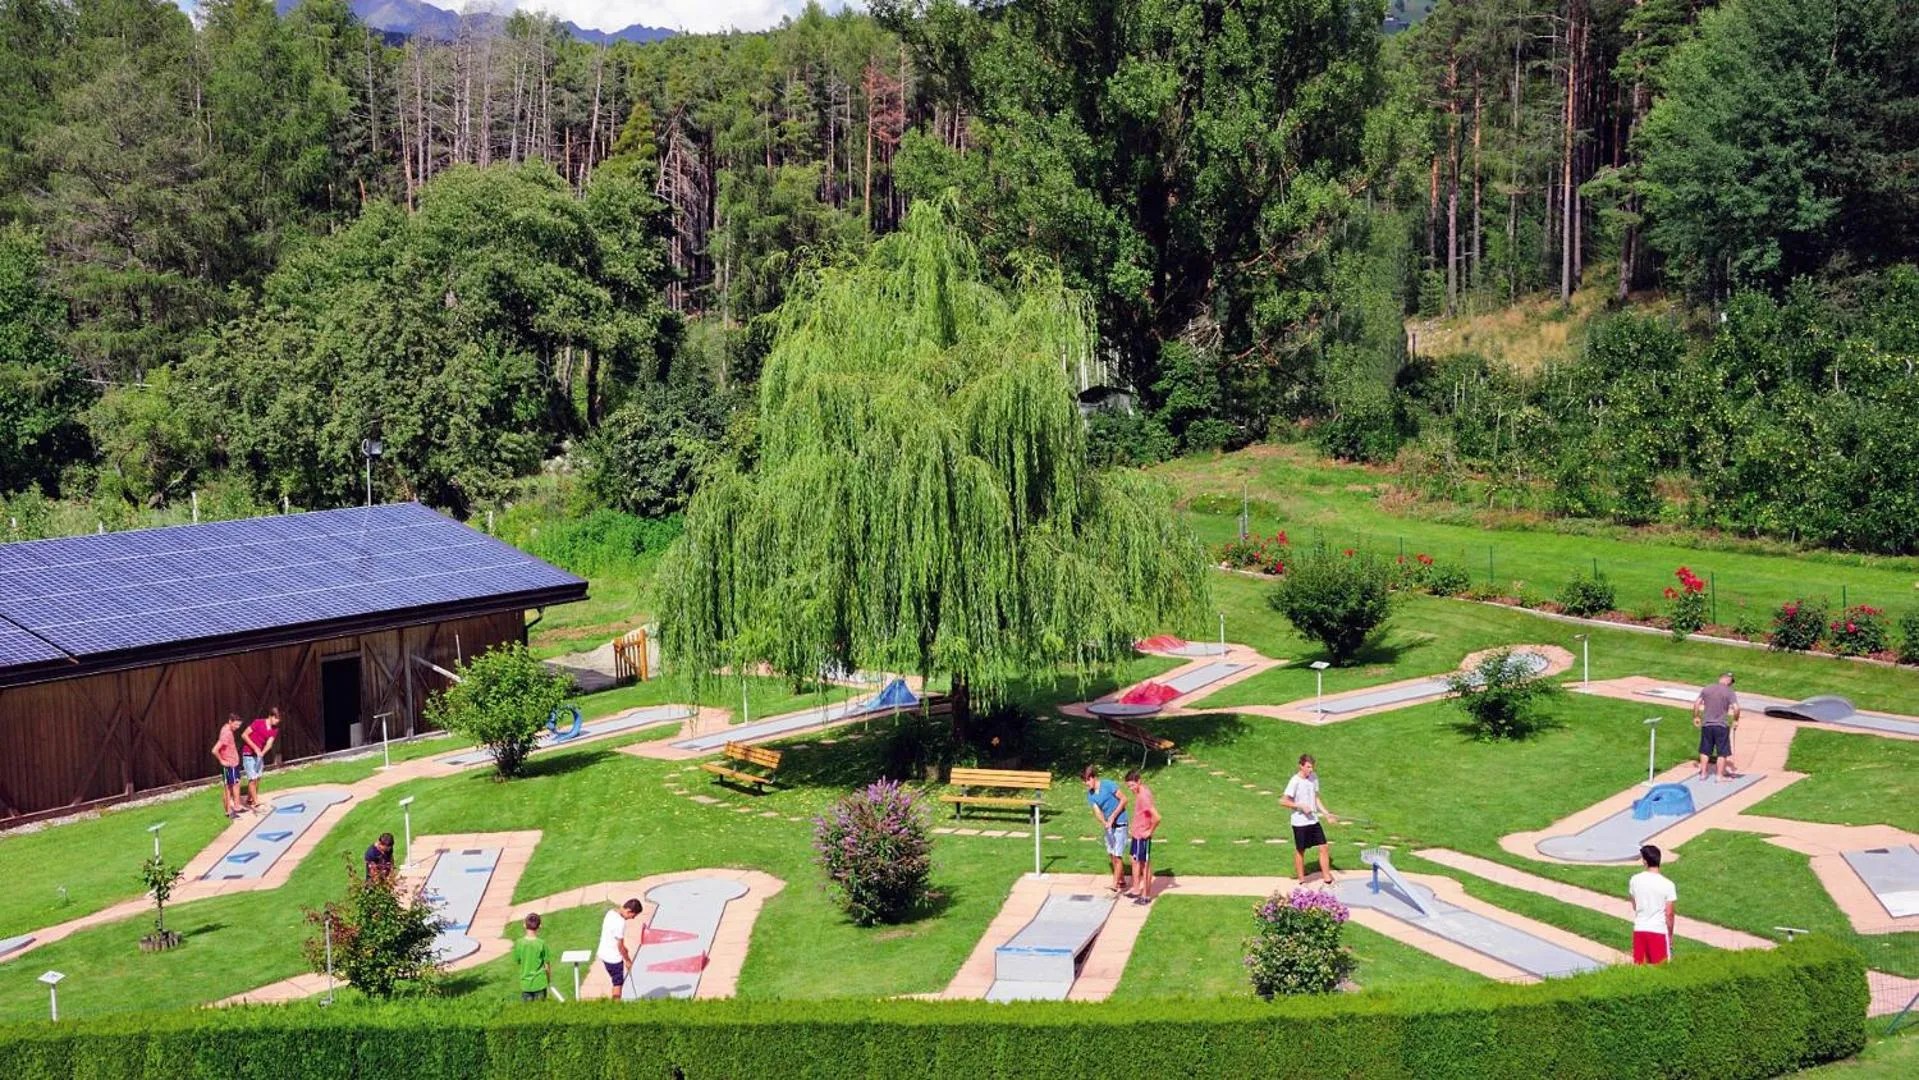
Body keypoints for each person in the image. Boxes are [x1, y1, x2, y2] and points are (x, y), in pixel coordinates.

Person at [1281, 754, 1339, 885]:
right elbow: (1283, 801)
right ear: (1301, 766)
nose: (1311, 769)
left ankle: (1327, 877)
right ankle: (1302, 880)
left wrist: (1327, 814)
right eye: (1308, 767)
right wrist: (1299, 805)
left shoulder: (1314, 778)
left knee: (1324, 846)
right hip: (1300, 822)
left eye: (1312, 767)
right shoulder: (1294, 781)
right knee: (1301, 850)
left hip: (1313, 820)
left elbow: (1316, 798)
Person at [1083, 765, 1130, 894]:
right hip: (1109, 826)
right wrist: (1104, 822)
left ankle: (1114, 886)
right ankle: (1121, 880)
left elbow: (1124, 799)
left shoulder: (1108, 785)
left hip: (1120, 823)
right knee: (1111, 854)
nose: (1086, 784)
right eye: (1085, 782)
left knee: (1117, 855)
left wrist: (1113, 817)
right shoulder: (1091, 794)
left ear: (1093, 778)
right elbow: (1097, 810)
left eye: (1087, 780)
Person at [1628, 844, 1677, 965]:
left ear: (1645, 861)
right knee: (1662, 971)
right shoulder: (1668, 884)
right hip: (1658, 931)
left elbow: (1635, 905)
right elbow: (1669, 914)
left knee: (1640, 971)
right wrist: (1670, 936)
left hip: (1639, 930)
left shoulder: (1635, 880)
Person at [1693, 672, 1741, 782]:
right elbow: (1736, 708)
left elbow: (1697, 703)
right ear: (1728, 680)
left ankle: (1703, 774)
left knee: (1705, 750)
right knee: (1722, 752)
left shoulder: (1707, 688)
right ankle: (1719, 776)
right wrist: (1736, 720)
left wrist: (1696, 716)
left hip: (1707, 725)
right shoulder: (1729, 692)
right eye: (1731, 682)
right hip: (1721, 726)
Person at [1123, 769, 1160, 903]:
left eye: (1132, 785)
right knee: (1134, 859)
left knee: (1144, 864)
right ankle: (1136, 889)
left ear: (1139, 781)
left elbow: (1157, 817)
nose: (1131, 789)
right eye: (1129, 787)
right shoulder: (1142, 791)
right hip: (1137, 834)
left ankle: (1146, 896)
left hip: (1142, 835)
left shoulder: (1143, 796)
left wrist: (1149, 831)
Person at [597, 897, 644, 999]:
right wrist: (627, 960)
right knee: (617, 983)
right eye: (633, 915)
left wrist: (625, 949)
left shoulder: (611, 912)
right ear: (629, 911)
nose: (633, 918)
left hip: (603, 953)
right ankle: (616, 1007)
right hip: (613, 958)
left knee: (615, 981)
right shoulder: (620, 922)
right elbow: (620, 946)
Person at [241, 708, 281, 813]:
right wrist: (254, 747)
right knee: (252, 778)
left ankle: (249, 799)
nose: (277, 722)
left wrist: (262, 753)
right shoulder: (257, 723)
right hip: (248, 754)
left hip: (258, 755)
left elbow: (269, 743)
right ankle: (256, 803)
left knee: (258, 778)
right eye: (276, 719)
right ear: (271, 716)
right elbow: (244, 735)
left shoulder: (274, 730)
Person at [513, 912, 554, 1002]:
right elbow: (547, 965)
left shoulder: (519, 943)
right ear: (540, 926)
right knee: (540, 1011)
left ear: (524, 925)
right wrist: (548, 979)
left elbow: (518, 961)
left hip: (525, 983)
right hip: (540, 982)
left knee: (528, 1012)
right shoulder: (542, 944)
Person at [210, 714, 243, 819]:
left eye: (239, 725)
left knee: (236, 784)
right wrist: (222, 761)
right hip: (229, 764)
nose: (237, 727)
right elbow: (215, 750)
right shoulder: (226, 733)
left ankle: (237, 807)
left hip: (233, 763)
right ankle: (229, 812)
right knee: (229, 788)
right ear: (230, 721)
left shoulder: (227, 729)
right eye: (236, 724)